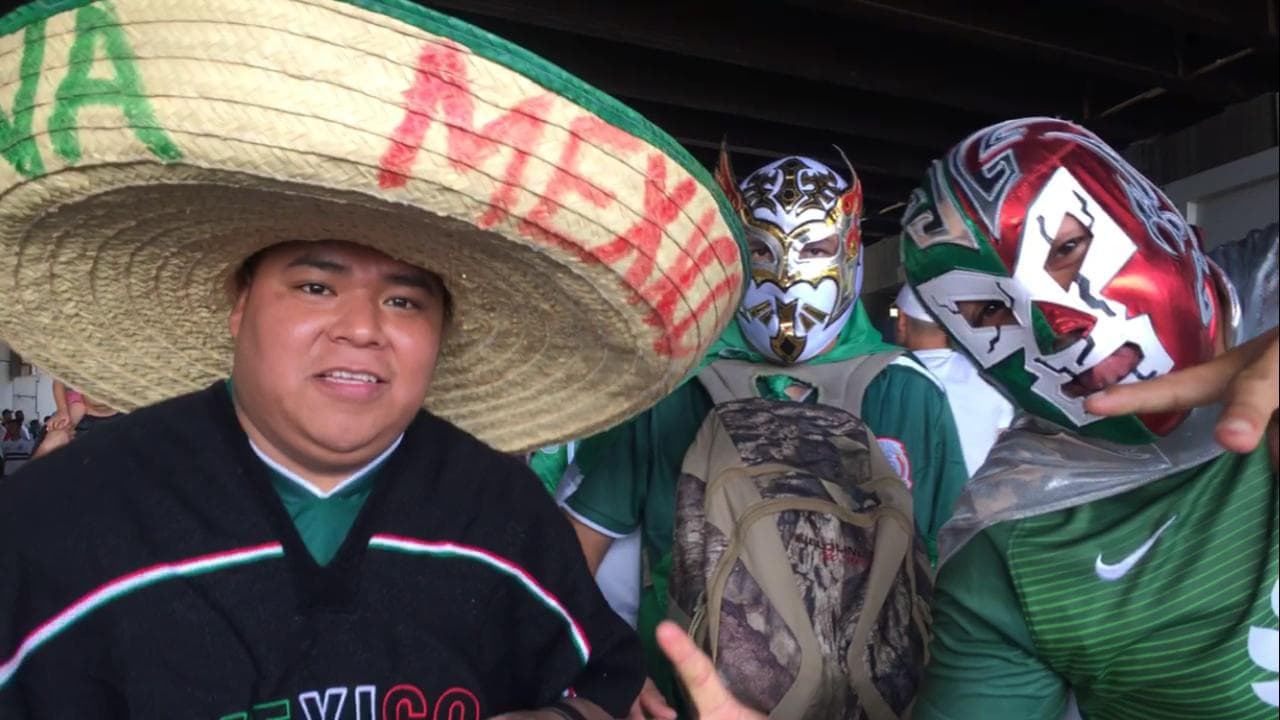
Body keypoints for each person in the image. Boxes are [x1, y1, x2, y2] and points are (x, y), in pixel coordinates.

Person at [0, 0, 748, 716]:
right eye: (316, 284)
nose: (361, 328)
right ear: (238, 306)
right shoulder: (60, 520)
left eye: (404, 300)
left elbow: (604, 683)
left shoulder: (504, 516)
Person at [893, 117, 1278, 719]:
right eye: (991, 312)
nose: (1057, 322)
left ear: (1144, 210)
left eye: (1066, 249)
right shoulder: (1016, 536)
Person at [564, 150, 968, 713]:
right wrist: (610, 669)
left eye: (816, 248)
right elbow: (569, 554)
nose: (786, 275)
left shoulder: (905, 391)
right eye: (761, 250)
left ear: (849, 249)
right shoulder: (676, 390)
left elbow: (956, 577)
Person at [895, 283, 1015, 475]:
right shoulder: (989, 376)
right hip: (976, 500)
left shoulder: (882, 377)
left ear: (901, 321)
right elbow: (1005, 448)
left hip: (906, 501)